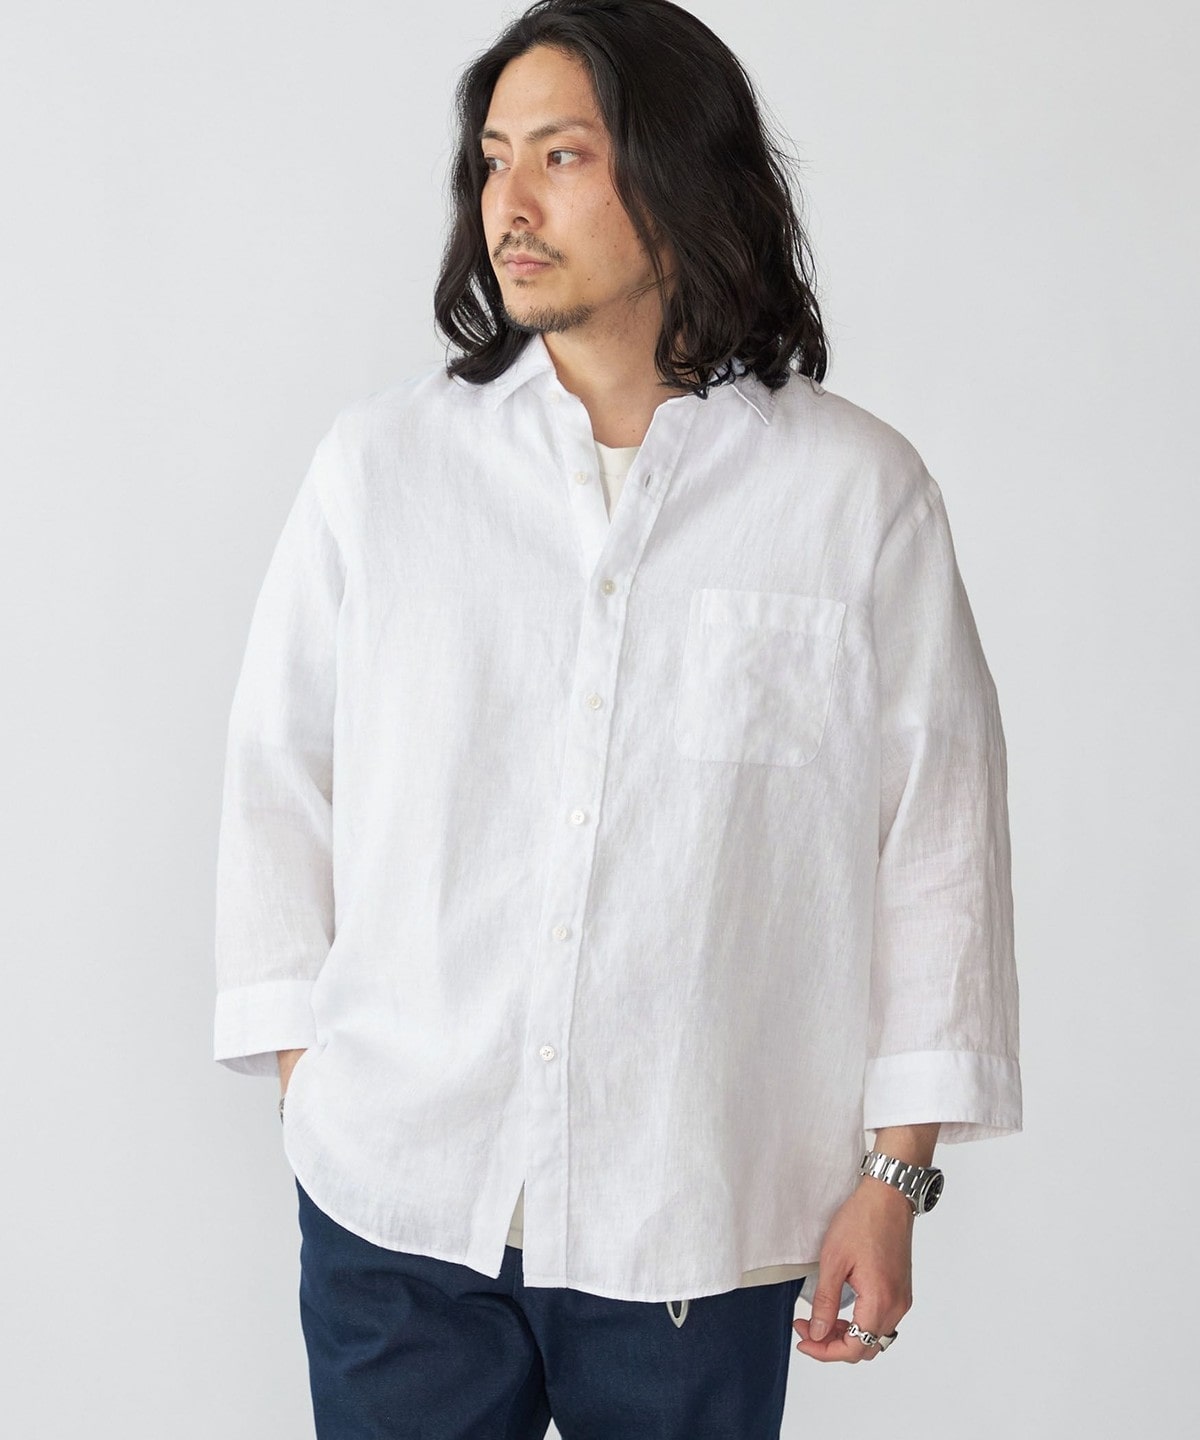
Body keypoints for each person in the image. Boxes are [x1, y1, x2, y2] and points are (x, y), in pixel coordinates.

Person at [213, 1, 1022, 1434]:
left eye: (562, 156)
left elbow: (937, 842)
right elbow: (281, 777)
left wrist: (895, 1177)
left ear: (678, 173)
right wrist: (309, 1083)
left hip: (694, 1220)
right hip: (402, 1212)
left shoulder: (853, 498)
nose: (509, 205)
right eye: (493, 160)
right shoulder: (383, 471)